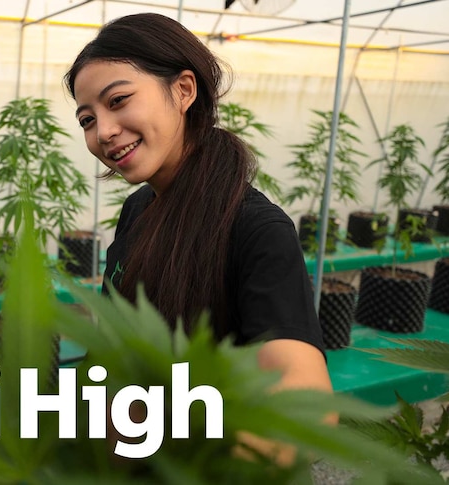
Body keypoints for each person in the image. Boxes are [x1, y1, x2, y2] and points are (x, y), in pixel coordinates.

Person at [65, 13, 331, 419]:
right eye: (88, 119)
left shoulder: (256, 230)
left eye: (118, 101)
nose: (102, 132)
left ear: (184, 89)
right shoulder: (138, 208)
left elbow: (308, 409)